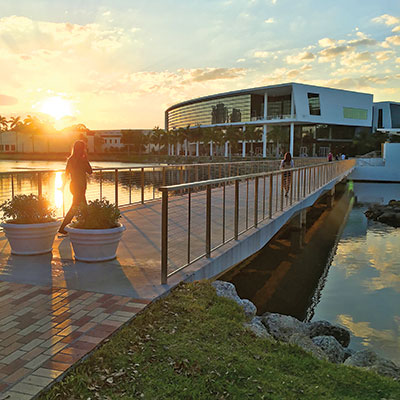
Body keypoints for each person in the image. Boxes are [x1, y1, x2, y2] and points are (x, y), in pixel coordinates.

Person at [58, 140, 92, 234]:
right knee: (75, 206)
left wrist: (62, 186)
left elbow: (66, 174)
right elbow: (90, 171)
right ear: (82, 149)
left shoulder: (70, 159)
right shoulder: (82, 160)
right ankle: (63, 228)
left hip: (73, 186)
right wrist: (86, 160)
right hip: (80, 186)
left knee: (83, 206)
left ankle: (87, 225)